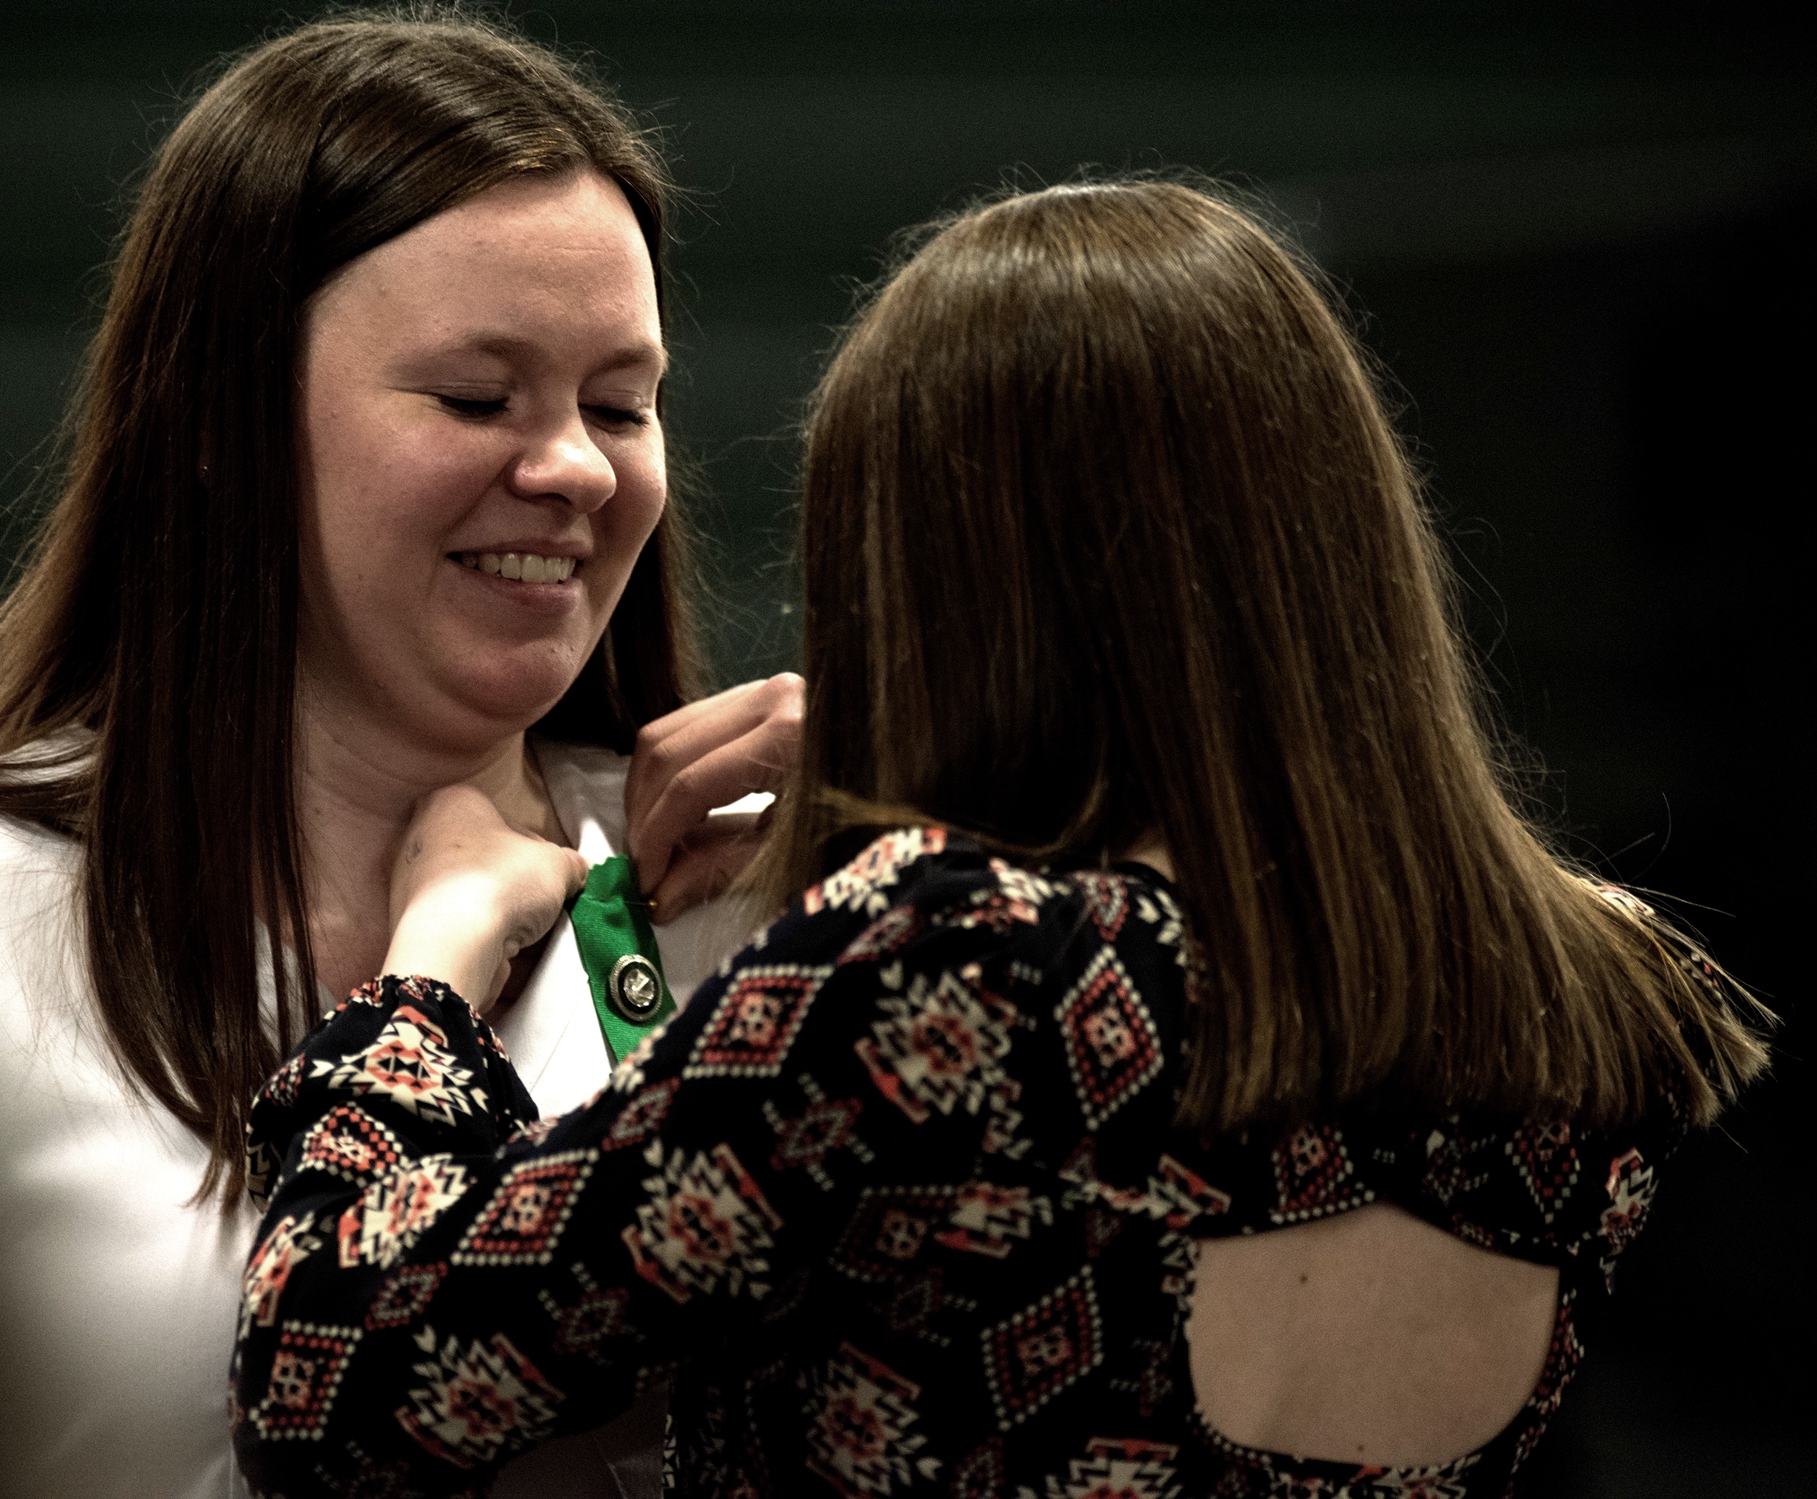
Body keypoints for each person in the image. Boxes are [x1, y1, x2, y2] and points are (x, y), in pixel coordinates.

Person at [231, 180, 1770, 1497]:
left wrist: (429, 962)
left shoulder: (959, 964)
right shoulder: (1589, 984)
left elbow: (331, 1387)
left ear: (929, 570)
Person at [0, 14, 798, 1498]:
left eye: (620, 405)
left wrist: (993, 835)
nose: (573, 468)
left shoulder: (761, 898)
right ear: (223, 420)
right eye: (477, 397)